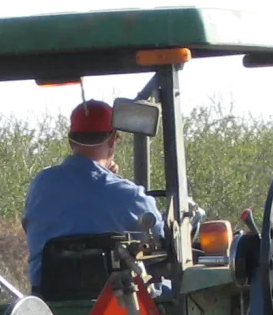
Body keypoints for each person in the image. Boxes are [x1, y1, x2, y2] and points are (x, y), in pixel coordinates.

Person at [21, 100, 165, 281]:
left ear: (70, 140)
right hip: (116, 302)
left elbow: (31, 227)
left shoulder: (40, 184)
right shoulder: (129, 195)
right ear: (113, 139)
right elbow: (160, 241)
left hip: (48, 302)